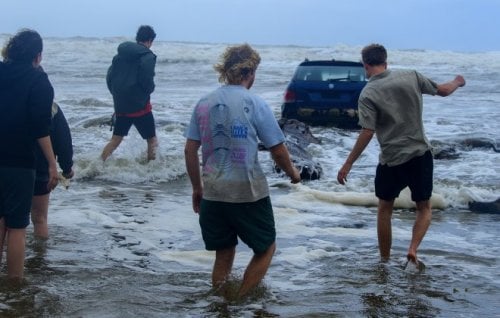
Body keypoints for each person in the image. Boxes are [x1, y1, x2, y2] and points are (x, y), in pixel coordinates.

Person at [184, 44, 301, 299]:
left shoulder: (204, 103)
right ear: (251, 72)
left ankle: (220, 306)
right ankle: (240, 302)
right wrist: (293, 173)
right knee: (266, 247)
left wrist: (196, 188)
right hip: (247, 192)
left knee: (223, 254)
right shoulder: (254, 102)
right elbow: (278, 150)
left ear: (226, 71)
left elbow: (190, 150)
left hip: (213, 193)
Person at [337, 43, 466, 265]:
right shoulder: (410, 76)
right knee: (424, 207)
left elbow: (367, 131)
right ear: (386, 62)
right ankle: (413, 249)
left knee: (384, 210)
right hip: (420, 153)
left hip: (391, 160)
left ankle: (385, 259)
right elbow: (443, 91)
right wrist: (458, 81)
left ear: (365, 66)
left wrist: (347, 164)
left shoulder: (367, 93)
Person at [0, 29, 58, 280]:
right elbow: (40, 129)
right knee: (17, 228)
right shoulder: (39, 81)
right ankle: (15, 287)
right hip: (20, 161)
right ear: (38, 57)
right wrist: (52, 164)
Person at [101, 25, 158, 162]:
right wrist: (150, 90)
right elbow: (147, 80)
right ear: (150, 40)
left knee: (115, 140)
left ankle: (97, 165)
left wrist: (117, 96)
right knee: (152, 140)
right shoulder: (147, 56)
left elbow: (109, 78)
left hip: (121, 106)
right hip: (140, 107)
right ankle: (152, 170)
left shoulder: (119, 55)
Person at [32, 102, 74, 240]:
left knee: (5, 219)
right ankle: (39, 258)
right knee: (40, 219)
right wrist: (67, 168)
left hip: (7, 166)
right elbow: (63, 140)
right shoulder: (50, 106)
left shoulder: (6, 98)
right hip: (40, 166)